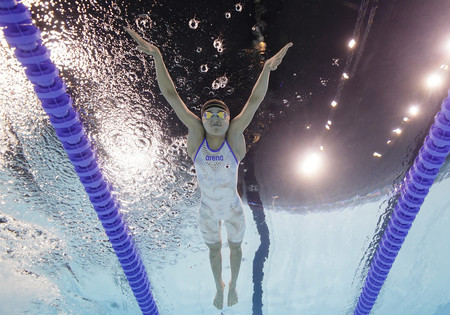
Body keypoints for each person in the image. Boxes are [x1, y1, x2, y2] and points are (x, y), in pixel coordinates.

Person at [125, 26, 292, 309]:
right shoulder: (196, 139)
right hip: (207, 211)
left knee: (236, 248)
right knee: (215, 252)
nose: (215, 118)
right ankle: (220, 286)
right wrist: (155, 54)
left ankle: (235, 285)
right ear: (201, 120)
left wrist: (266, 69)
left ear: (229, 120)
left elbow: (253, 102)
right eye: (209, 114)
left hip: (232, 208)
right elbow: (171, 95)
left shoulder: (235, 141)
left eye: (221, 114)